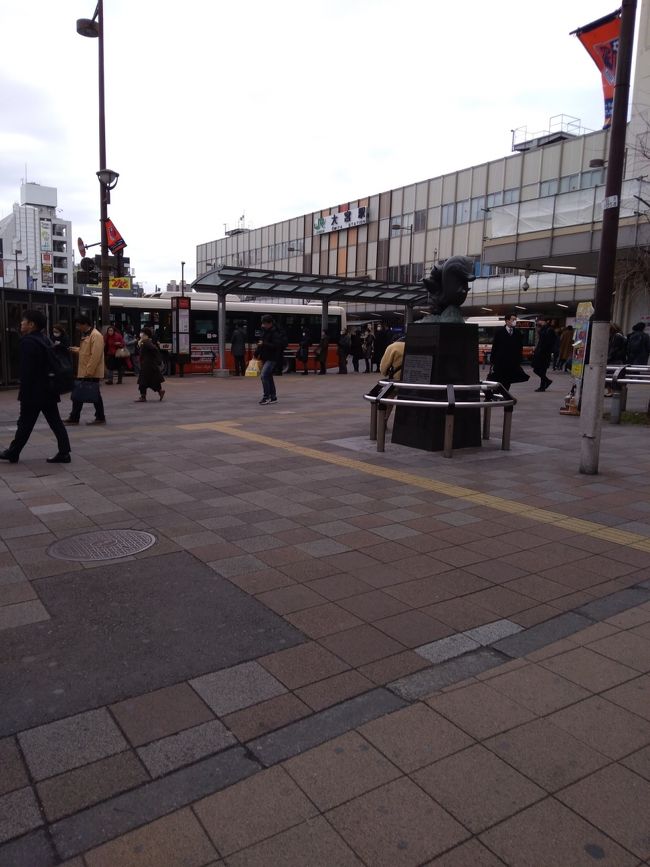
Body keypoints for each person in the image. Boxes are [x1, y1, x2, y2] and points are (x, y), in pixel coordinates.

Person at [0, 309, 71, 464]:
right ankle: (64, 452)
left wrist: (23, 392)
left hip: (33, 391)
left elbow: (27, 370)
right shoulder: (44, 339)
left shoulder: (28, 342)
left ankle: (13, 452)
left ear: (31, 324)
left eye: (23, 321)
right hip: (48, 389)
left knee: (25, 423)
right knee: (55, 422)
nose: (21, 323)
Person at [65, 315, 106, 425]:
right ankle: (77, 417)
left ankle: (77, 417)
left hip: (90, 372)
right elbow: (86, 351)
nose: (78, 328)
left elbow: (95, 355)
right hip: (85, 370)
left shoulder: (96, 335)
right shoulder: (88, 335)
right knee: (84, 393)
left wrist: (89, 371)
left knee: (85, 394)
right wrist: (75, 349)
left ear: (85, 324)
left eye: (79, 325)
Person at [489, 313, 527, 390]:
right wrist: (492, 360)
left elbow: (520, 347)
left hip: (512, 362)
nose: (515, 321)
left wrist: (519, 359)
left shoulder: (517, 333)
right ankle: (496, 394)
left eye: (515, 319)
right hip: (500, 361)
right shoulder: (499, 332)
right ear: (507, 321)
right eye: (513, 319)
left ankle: (505, 395)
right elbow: (495, 347)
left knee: (508, 380)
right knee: (498, 379)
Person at [256, 314, 284, 403]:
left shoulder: (275, 332)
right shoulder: (264, 331)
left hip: (272, 357)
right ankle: (273, 397)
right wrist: (256, 353)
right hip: (265, 356)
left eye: (265, 323)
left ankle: (266, 397)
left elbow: (276, 346)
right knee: (268, 376)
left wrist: (264, 343)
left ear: (270, 323)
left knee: (264, 375)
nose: (263, 325)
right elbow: (261, 343)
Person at [379, 336, 405, 422]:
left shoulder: (393, 347)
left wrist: (385, 372)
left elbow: (383, 367)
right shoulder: (413, 345)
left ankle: (384, 419)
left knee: (389, 396)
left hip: (396, 379)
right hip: (412, 379)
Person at [135, 327, 165, 401]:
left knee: (142, 381)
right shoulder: (144, 341)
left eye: (143, 333)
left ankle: (143, 397)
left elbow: (154, 349)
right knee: (152, 380)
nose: (141, 334)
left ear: (146, 335)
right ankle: (160, 391)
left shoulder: (146, 342)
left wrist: (158, 360)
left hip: (147, 365)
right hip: (148, 364)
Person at [531, 315, 556, 392]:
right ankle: (545, 384)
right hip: (540, 352)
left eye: (541, 321)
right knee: (539, 370)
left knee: (539, 370)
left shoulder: (549, 330)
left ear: (546, 321)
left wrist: (541, 351)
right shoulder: (544, 329)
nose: (539, 322)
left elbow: (548, 343)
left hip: (544, 354)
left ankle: (544, 385)